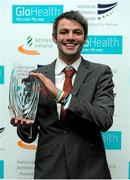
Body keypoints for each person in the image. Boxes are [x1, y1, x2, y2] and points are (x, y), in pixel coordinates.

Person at [10, 10, 114, 179]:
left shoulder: (101, 73)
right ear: (54, 37)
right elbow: (29, 136)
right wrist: (24, 125)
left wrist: (60, 95)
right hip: (49, 171)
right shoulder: (36, 77)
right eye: (64, 32)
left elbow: (104, 119)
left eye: (77, 32)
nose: (70, 37)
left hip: (91, 171)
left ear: (85, 38)